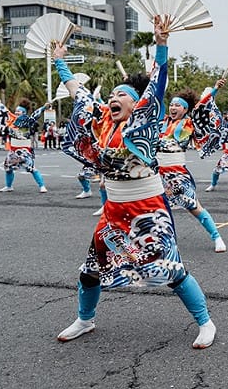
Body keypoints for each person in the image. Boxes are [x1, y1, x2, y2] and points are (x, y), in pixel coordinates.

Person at [52, 18, 216, 349]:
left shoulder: (144, 121)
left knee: (171, 269)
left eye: (121, 95)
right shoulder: (100, 122)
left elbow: (157, 86)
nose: (113, 98)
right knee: (90, 269)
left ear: (135, 103)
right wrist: (59, 61)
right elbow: (78, 93)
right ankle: (85, 319)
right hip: (114, 209)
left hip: (148, 207)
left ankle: (205, 323)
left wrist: (162, 44)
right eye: (111, 94)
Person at [158, 85, 226, 252]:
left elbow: (202, 107)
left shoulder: (189, 123)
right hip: (157, 173)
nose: (173, 108)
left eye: (177, 105)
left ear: (185, 109)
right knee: (154, 209)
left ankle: (217, 237)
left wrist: (214, 90)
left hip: (177, 173)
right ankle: (162, 241)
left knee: (193, 206)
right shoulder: (162, 121)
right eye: (172, 104)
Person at [0, 98, 50, 193]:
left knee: (31, 168)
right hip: (13, 149)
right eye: (16, 111)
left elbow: (35, 115)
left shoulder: (27, 121)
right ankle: (9, 186)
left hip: (25, 149)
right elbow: (5, 113)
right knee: (8, 168)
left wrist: (44, 107)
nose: (16, 112)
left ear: (24, 112)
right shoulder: (11, 121)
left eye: (19, 111)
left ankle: (42, 186)